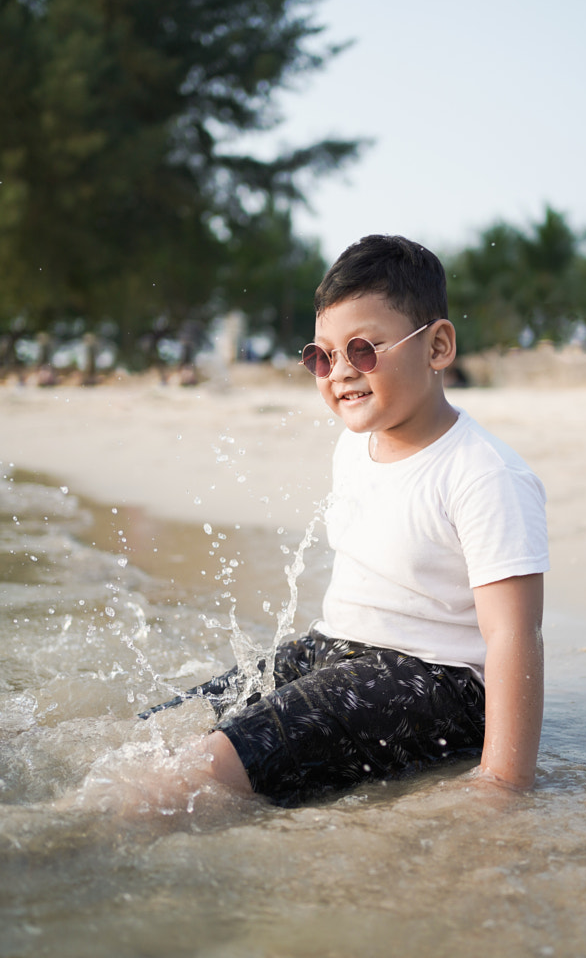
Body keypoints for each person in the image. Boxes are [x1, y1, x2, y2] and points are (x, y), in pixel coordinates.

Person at [143, 235, 549, 807]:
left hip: (433, 681)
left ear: (437, 346)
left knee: (202, 770)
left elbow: (513, 635)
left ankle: (74, 837)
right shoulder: (354, 446)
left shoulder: (483, 474)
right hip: (336, 647)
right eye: (321, 356)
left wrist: (504, 783)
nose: (340, 373)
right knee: (163, 727)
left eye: (363, 350)